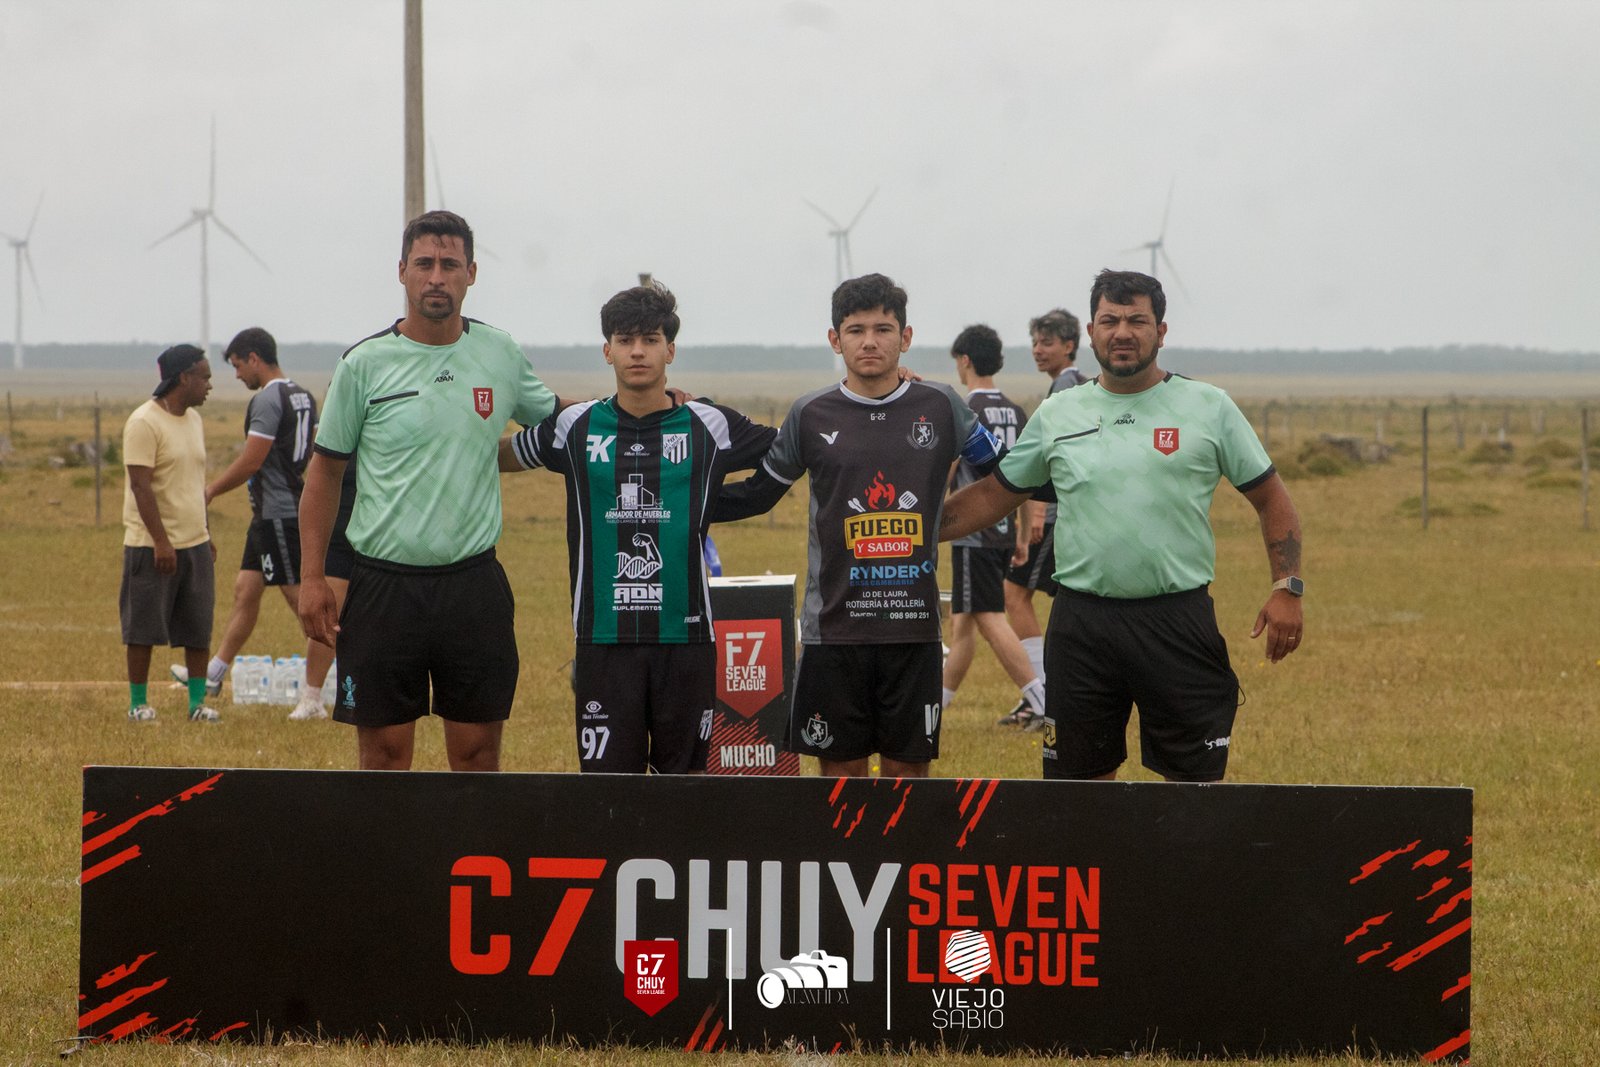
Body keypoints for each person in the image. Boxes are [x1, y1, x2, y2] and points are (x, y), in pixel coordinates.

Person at [940, 270, 1303, 783]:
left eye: (1137, 321)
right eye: (1110, 321)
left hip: (1176, 620)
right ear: (1091, 332)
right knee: (1079, 793)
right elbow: (994, 494)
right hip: (1081, 625)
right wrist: (913, 528)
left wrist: (1287, 587)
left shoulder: (1209, 406)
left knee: (1193, 791)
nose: (1123, 332)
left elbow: (1272, 499)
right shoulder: (1059, 411)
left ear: (1161, 331)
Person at [297, 210, 558, 771]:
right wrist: (313, 577)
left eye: (450, 265)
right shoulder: (363, 364)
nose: (436, 277)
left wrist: (646, 406)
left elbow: (562, 422)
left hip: (473, 586)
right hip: (383, 588)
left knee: (477, 755)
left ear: (471, 274)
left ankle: (472, 837)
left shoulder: (499, 353)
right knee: (384, 757)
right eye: (424, 264)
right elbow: (324, 473)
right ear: (402, 272)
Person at [714, 273, 1003, 779]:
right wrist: (681, 504)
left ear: (905, 337)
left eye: (883, 329)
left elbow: (1006, 474)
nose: (870, 341)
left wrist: (938, 522)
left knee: (906, 779)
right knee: (840, 781)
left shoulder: (941, 405)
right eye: (856, 330)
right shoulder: (809, 413)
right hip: (834, 632)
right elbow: (759, 494)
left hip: (912, 630)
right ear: (835, 339)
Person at [499, 284, 776, 773]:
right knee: (610, 793)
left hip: (686, 640)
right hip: (603, 639)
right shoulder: (575, 425)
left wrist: (704, 506)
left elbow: (794, 450)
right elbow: (498, 457)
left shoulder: (709, 424)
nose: (638, 351)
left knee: (685, 790)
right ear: (607, 350)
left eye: (650, 339)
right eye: (625, 340)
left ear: (671, 350)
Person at [169, 328, 324, 719]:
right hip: (268, 514)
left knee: (300, 599)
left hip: (279, 514)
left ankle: (333, 683)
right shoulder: (303, 395)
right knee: (245, 590)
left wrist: (211, 490)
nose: (237, 375)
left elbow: (252, 460)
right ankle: (215, 673)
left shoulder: (267, 399)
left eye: (238, 366)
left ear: (255, 358)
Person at [939, 324, 1047, 727]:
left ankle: (1042, 700)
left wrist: (928, 517)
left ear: (965, 360)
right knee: (963, 623)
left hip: (973, 534)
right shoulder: (1016, 411)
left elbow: (949, 470)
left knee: (988, 617)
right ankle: (934, 707)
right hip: (1003, 532)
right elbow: (1023, 478)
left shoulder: (965, 409)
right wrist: (1022, 534)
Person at [120, 344, 219, 723]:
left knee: (197, 627)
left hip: (194, 542)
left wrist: (206, 531)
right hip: (151, 545)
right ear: (183, 378)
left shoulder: (194, 420)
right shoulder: (144, 422)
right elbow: (140, 486)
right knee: (142, 627)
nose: (209, 385)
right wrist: (161, 541)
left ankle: (197, 705)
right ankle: (138, 704)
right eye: (204, 377)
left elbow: (196, 483)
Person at [998, 307, 1088, 725]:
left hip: (1053, 513)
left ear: (1069, 345)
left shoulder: (1065, 386)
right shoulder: (1073, 382)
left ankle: (1043, 694)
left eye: (1047, 342)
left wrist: (1035, 512)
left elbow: (1050, 456)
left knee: (1014, 595)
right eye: (1035, 342)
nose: (1038, 349)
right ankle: (1046, 693)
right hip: (1064, 513)